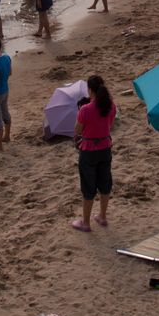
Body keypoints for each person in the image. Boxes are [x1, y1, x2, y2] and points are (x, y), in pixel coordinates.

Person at [71, 76, 115, 233]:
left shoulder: (85, 109)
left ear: (90, 90)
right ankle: (102, 216)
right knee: (105, 183)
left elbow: (77, 131)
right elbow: (109, 124)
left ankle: (86, 222)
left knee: (88, 187)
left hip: (89, 150)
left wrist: (82, 112)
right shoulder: (110, 106)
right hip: (105, 147)